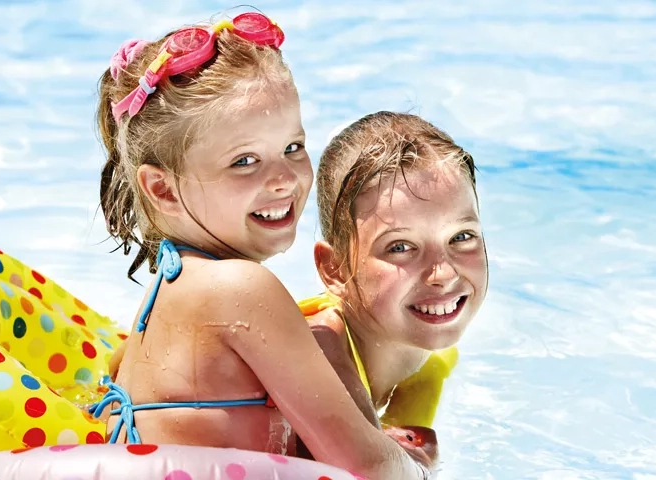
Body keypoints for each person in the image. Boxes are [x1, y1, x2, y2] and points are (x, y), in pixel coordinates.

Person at [91, 11, 430, 479]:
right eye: (245, 161)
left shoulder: (169, 290)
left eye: (293, 147)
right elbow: (368, 471)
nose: (284, 178)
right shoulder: (241, 288)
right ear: (163, 190)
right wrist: (416, 466)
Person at [298, 111, 489, 465]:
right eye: (400, 246)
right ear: (335, 269)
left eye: (461, 237)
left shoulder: (433, 358)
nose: (443, 274)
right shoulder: (317, 354)